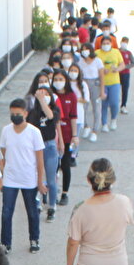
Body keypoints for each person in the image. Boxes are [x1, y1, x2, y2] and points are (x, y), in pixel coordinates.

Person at [0, 98, 46, 254]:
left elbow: (40, 159)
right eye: (12, 114)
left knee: (32, 212)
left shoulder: (34, 132)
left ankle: (34, 239)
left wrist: (40, 181)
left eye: (18, 114)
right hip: (10, 179)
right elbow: (3, 155)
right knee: (6, 213)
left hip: (29, 179)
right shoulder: (6, 131)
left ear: (25, 113)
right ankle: (5, 243)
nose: (15, 117)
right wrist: (2, 177)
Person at [26, 72, 63, 224]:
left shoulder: (54, 110)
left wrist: (43, 101)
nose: (44, 96)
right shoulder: (33, 113)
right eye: (41, 94)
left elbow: (50, 116)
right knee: (36, 177)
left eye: (47, 94)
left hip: (49, 146)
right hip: (35, 148)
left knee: (51, 179)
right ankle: (37, 202)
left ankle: (52, 206)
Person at [50, 69, 80, 218]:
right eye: (56, 79)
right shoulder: (51, 96)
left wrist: (74, 135)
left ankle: (65, 193)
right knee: (53, 165)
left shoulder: (71, 96)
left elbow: (73, 116)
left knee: (65, 164)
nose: (58, 82)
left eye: (61, 79)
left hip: (67, 134)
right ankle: (53, 192)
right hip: (53, 135)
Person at [97, 32, 125, 133]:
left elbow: (122, 65)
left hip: (114, 81)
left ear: (111, 43)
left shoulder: (116, 52)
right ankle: (104, 123)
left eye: (108, 43)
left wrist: (117, 69)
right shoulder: (97, 53)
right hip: (103, 82)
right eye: (104, 43)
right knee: (104, 104)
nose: (106, 45)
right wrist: (101, 71)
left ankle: (113, 119)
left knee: (114, 103)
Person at [78, 43, 103, 142]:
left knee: (96, 108)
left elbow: (101, 77)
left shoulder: (97, 61)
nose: (85, 51)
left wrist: (102, 91)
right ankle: (86, 126)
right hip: (84, 84)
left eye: (86, 49)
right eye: (83, 49)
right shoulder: (80, 61)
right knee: (83, 107)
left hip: (95, 84)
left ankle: (95, 131)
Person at [117, 36, 134, 113]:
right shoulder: (117, 52)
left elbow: (133, 63)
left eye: (126, 42)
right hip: (117, 73)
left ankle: (123, 105)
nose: (124, 43)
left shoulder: (128, 53)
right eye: (123, 42)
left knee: (125, 90)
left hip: (125, 74)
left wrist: (125, 66)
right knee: (116, 89)